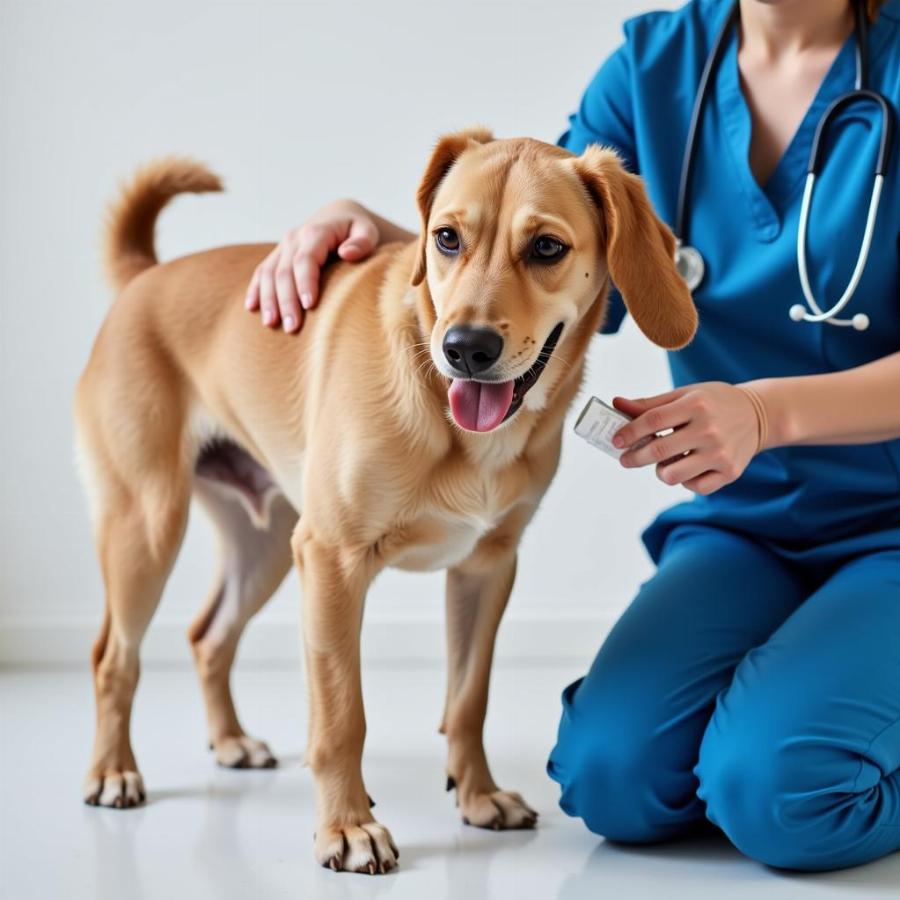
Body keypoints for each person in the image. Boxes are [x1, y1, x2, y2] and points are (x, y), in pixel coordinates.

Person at [244, 0, 900, 872]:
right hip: (743, 527)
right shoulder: (657, 65)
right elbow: (536, 236)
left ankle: (791, 741)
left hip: (888, 527)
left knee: (782, 793)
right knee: (610, 779)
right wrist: (380, 234)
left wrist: (769, 414)